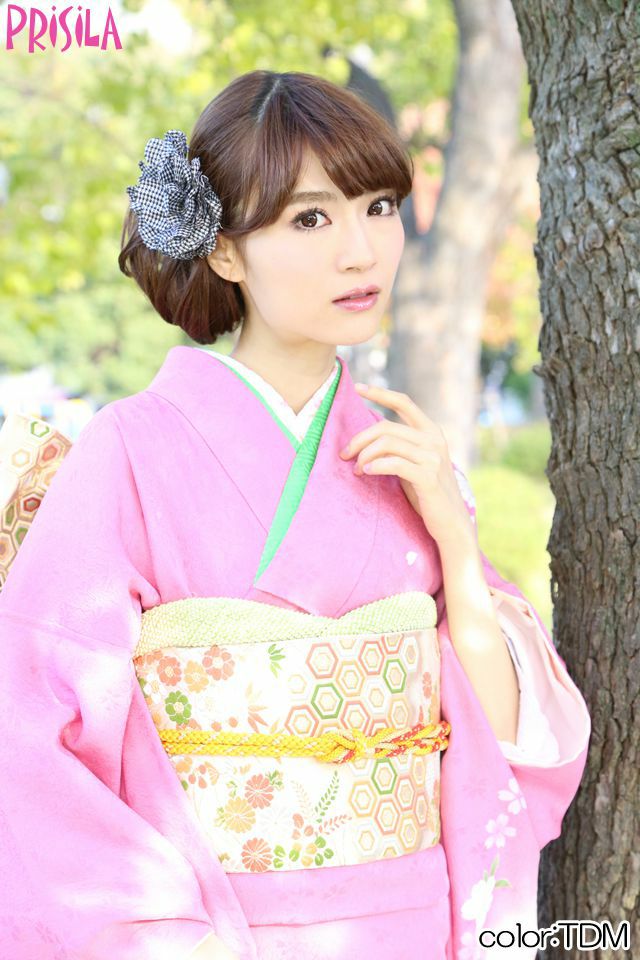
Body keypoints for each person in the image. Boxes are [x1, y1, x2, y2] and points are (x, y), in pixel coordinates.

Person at [0, 70, 590, 960]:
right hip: (212, 929)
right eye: (310, 219)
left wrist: (457, 548)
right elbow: (30, 730)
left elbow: (507, 741)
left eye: (378, 207)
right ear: (224, 252)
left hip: (410, 921)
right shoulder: (131, 449)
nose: (361, 252)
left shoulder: (408, 461)